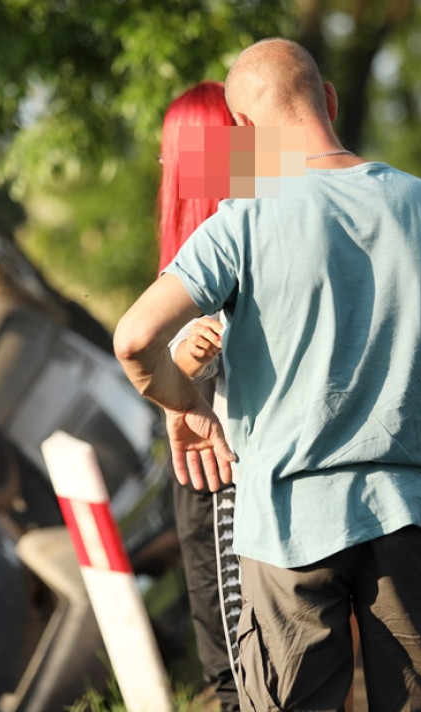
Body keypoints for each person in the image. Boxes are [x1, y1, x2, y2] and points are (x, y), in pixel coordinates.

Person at [115, 37, 421, 710]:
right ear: (330, 100)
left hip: (284, 530)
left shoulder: (238, 222)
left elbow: (136, 337)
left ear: (243, 132)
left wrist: (187, 409)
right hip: (409, 514)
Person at [156, 80, 242, 712]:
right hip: (237, 480)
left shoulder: (222, 240)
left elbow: (147, 347)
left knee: (240, 678)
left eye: (171, 154)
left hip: (219, 489)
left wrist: (181, 370)